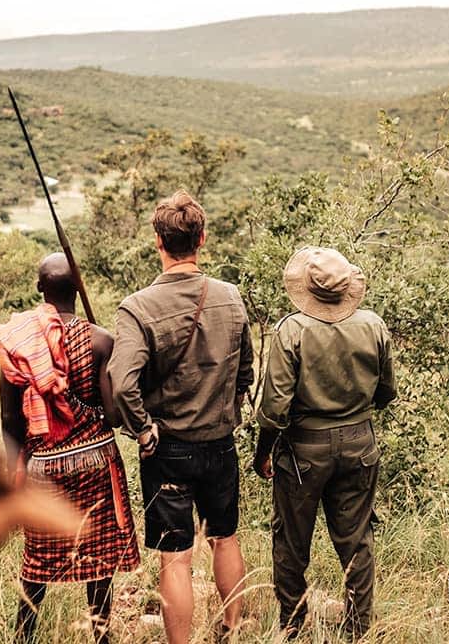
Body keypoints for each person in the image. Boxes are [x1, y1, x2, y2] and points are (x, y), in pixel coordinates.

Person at [108, 191, 254, 644]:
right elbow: (245, 369)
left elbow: (120, 382)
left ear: (158, 241)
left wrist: (143, 430)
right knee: (225, 540)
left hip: (167, 449)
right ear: (202, 239)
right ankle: (233, 631)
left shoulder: (137, 307)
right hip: (220, 444)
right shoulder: (230, 297)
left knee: (176, 558)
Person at [0, 253, 140, 644]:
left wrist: (15, 472)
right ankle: (101, 635)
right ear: (78, 288)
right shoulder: (101, 339)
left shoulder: (19, 342)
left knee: (38, 557)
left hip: (43, 468)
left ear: (40, 288)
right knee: (98, 552)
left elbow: (10, 419)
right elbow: (111, 416)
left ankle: (24, 635)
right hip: (96, 462)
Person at [253, 246, 397, 641]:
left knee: (291, 543)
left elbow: (274, 407)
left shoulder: (292, 330)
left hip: (303, 450)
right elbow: (386, 393)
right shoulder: (373, 325)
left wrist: (263, 454)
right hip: (360, 443)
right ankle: (358, 628)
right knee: (357, 540)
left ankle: (294, 627)